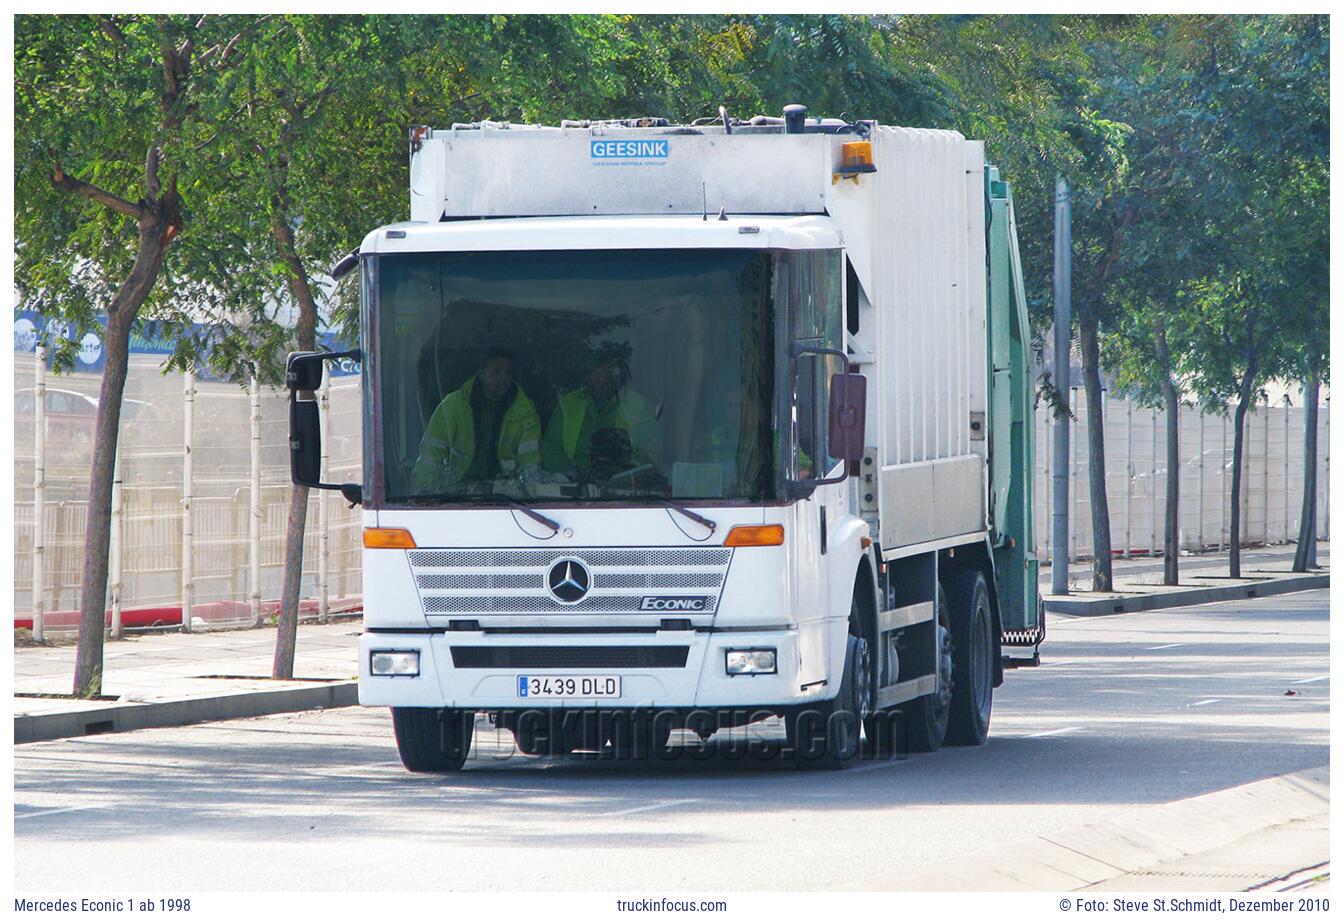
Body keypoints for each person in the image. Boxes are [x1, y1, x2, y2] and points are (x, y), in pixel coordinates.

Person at [410, 348, 542, 489]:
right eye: (496, 371)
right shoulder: (453, 405)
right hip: (456, 494)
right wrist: (420, 495)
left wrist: (529, 491)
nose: (503, 379)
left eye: (508, 373)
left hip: (507, 497)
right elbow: (430, 456)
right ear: (480, 373)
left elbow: (530, 464)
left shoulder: (526, 412)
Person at [542, 356, 660, 480]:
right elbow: (550, 446)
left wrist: (623, 469)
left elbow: (652, 456)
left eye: (610, 372)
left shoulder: (640, 407)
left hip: (628, 491)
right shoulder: (568, 404)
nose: (603, 378)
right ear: (587, 377)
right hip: (574, 490)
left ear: (620, 377)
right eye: (598, 372)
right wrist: (572, 472)